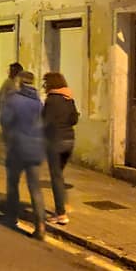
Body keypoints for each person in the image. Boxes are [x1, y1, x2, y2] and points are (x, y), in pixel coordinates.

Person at [0, 71, 47, 240]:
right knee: (35, 187)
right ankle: (40, 226)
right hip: (35, 148)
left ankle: (11, 217)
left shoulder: (13, 100)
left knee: (13, 184)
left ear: (20, 82)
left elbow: (4, 120)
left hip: (17, 148)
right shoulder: (38, 102)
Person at [42, 72, 80, 225]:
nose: (44, 86)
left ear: (51, 83)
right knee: (59, 175)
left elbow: (45, 122)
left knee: (56, 177)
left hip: (55, 142)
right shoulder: (68, 98)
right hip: (69, 141)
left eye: (45, 83)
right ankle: (64, 204)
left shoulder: (51, 100)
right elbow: (74, 119)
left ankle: (61, 214)